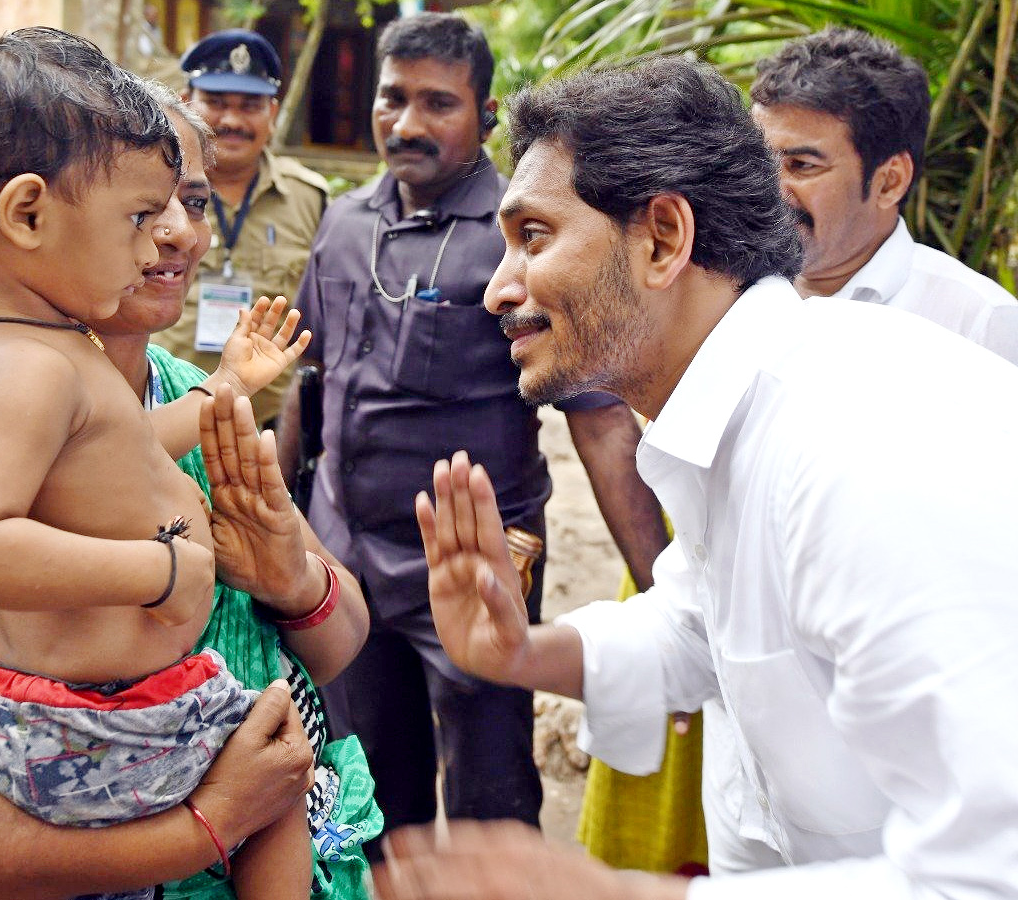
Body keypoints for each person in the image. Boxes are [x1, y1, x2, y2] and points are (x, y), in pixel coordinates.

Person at [380, 58, 1018, 899]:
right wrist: (520, 652)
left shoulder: (859, 443)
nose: (498, 289)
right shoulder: (735, 418)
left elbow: (990, 873)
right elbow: (700, 630)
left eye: (533, 236)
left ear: (663, 239)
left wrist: (621, 894)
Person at [0, 51, 379, 900]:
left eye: (192, 202)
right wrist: (202, 828)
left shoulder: (192, 398)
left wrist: (292, 581)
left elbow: (338, 647)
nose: (179, 233)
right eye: (144, 210)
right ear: (31, 213)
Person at [275, 11, 664, 853]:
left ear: (485, 116)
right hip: (349, 559)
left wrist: (667, 590)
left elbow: (600, 429)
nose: (407, 124)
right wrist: (278, 524)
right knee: (371, 786)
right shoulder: (344, 225)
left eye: (437, 104)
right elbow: (310, 385)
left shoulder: (522, 237)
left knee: (492, 798)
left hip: (478, 565)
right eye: (392, 99)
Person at [751, 27, 1017, 360]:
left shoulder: (979, 323)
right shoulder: (727, 292)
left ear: (890, 181)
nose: (769, 186)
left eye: (802, 165)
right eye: (759, 158)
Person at [157, 28, 330, 428]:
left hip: (267, 425)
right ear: (186, 103)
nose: (232, 120)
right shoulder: (150, 192)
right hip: (159, 415)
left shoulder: (310, 199)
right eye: (215, 103)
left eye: (250, 105)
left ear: (272, 111)